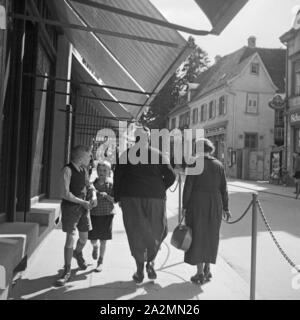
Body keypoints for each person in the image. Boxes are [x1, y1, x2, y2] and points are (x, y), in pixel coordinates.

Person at [113, 126, 176, 284]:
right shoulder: (158, 154)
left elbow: (118, 177)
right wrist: (161, 187)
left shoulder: (126, 154)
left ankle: (140, 269)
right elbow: (171, 176)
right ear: (148, 138)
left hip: (131, 198)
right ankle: (151, 261)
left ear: (135, 138)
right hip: (155, 198)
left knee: (135, 232)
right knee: (159, 229)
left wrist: (117, 197)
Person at [182, 138, 231, 285]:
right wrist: (226, 207)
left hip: (197, 203)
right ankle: (208, 269)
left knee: (197, 235)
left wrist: (184, 206)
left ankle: (199, 273)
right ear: (211, 150)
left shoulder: (194, 163)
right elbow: (224, 188)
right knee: (211, 235)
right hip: (215, 203)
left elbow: (188, 187)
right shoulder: (219, 165)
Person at [55, 145, 97, 287]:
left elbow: (89, 185)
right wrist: (82, 202)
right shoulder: (67, 170)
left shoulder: (84, 169)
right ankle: (66, 270)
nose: (90, 158)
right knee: (70, 238)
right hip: (70, 209)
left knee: (84, 238)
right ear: (80, 157)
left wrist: (94, 195)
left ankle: (77, 253)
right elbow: (64, 193)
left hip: (83, 209)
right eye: (88, 156)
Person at [88, 161, 115, 272]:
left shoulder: (111, 185)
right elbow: (88, 198)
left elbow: (115, 200)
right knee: (93, 239)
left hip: (107, 215)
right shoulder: (92, 185)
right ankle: (95, 246)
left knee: (104, 239)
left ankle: (100, 261)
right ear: (96, 171)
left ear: (109, 172)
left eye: (104, 171)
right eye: (99, 170)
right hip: (94, 215)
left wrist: (107, 196)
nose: (102, 172)